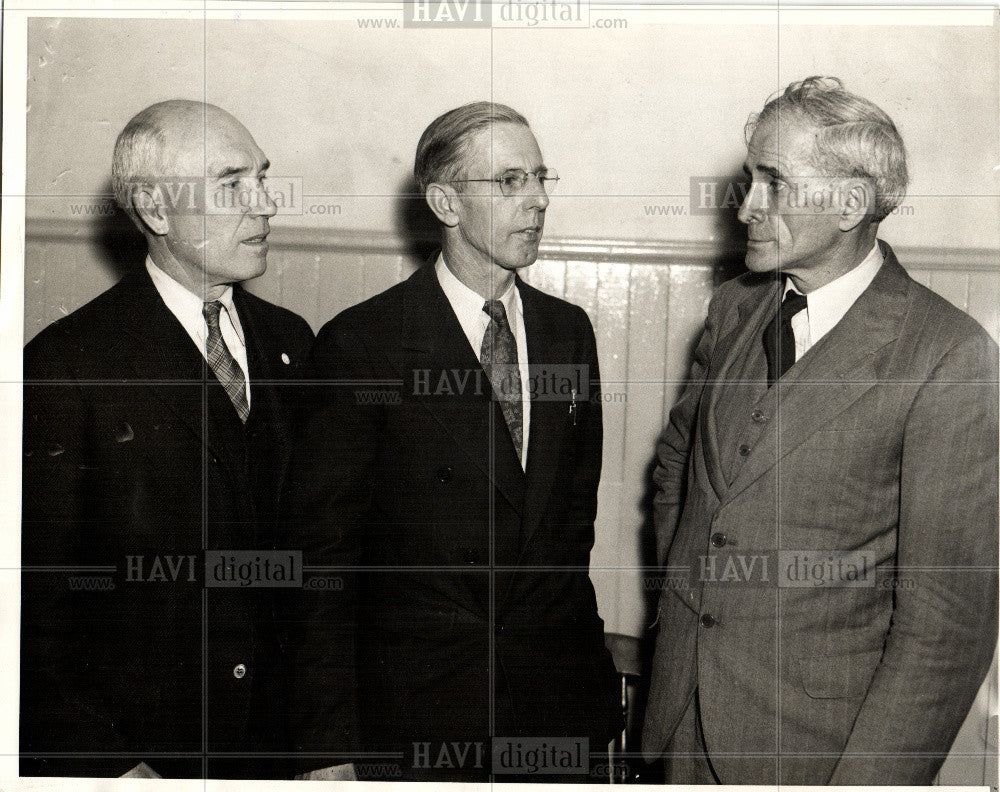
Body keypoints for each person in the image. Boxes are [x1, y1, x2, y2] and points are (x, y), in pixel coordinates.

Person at [641, 76, 999, 785]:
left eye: (774, 183)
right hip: (681, 724)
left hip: (820, 756)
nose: (745, 206)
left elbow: (947, 623)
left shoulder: (947, 355)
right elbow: (677, 465)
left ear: (851, 203)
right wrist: (688, 605)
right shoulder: (733, 310)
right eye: (751, 179)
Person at [283, 102, 622, 782]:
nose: (536, 201)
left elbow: (570, 524)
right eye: (509, 182)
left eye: (540, 178)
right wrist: (328, 745)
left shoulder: (567, 333)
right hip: (416, 718)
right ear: (444, 201)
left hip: (554, 710)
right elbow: (322, 564)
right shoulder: (364, 344)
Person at [20, 100, 314, 779]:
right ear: (154, 208)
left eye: (263, 179)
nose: (265, 205)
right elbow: (36, 603)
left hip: (275, 753)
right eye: (232, 184)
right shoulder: (68, 365)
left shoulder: (293, 343)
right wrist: (108, 765)